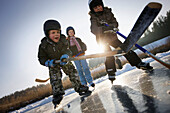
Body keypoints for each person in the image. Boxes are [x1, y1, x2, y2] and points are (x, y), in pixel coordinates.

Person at [88, 0, 153, 83]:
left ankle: (138, 63)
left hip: (112, 38)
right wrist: (103, 29)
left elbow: (115, 22)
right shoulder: (93, 17)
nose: (98, 8)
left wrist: (112, 27)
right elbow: (93, 30)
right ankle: (111, 72)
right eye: (95, 8)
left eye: (99, 6)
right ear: (93, 10)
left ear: (102, 5)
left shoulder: (108, 12)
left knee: (125, 49)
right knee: (108, 54)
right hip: (102, 40)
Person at [38, 20, 90, 108]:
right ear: (47, 34)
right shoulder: (43, 45)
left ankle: (79, 87)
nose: (56, 34)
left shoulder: (63, 40)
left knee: (72, 72)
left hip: (63, 60)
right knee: (55, 78)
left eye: (58, 32)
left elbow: (67, 49)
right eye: (53, 32)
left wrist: (66, 55)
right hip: (53, 63)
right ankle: (58, 95)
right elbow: (41, 58)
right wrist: (47, 62)